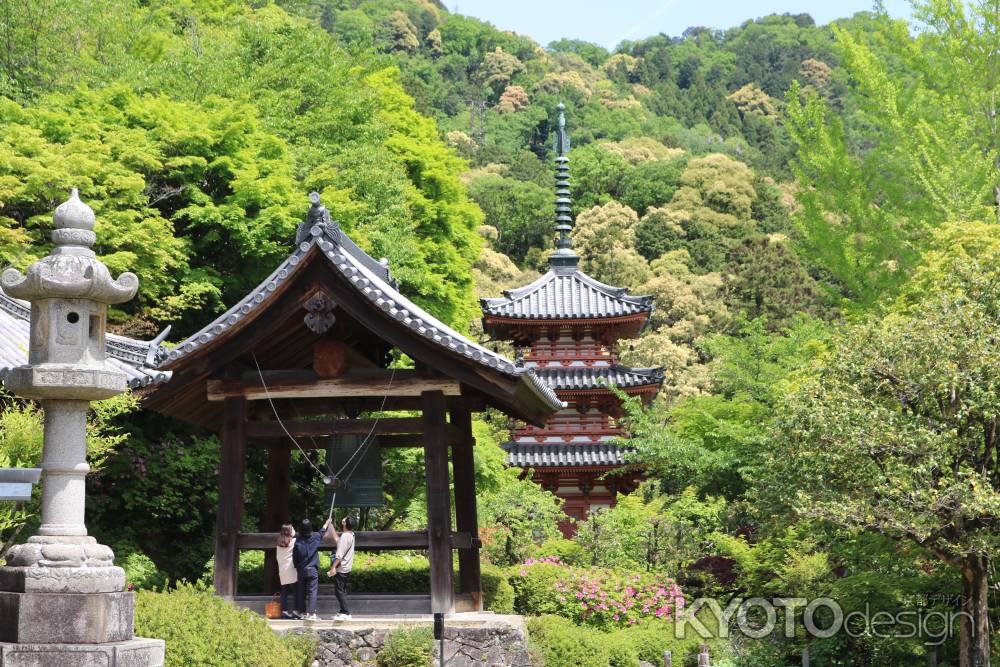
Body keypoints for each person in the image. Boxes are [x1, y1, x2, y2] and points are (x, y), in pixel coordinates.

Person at [293, 517, 331, 621]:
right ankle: (311, 613)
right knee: (312, 591)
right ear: (310, 528)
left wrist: (297, 567)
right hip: (312, 568)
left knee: (301, 591)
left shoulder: (297, 541)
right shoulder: (315, 537)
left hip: (301, 569)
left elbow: (294, 557)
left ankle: (302, 612)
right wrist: (327, 522)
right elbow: (322, 531)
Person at [326, 515, 356, 621]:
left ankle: (346, 613)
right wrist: (331, 525)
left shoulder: (345, 536)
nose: (342, 519)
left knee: (339, 591)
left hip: (341, 567)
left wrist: (333, 567)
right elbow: (336, 539)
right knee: (341, 589)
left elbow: (339, 555)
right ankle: (342, 611)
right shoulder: (350, 535)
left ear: (345, 523)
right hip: (346, 567)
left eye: (344, 519)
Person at [275, 523, 298, 619]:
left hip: (282, 569)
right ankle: (295, 611)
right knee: (296, 591)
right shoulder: (294, 541)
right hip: (291, 569)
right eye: (292, 529)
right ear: (290, 531)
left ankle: (284, 611)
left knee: (284, 591)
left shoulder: (279, 543)